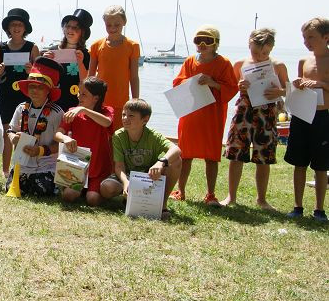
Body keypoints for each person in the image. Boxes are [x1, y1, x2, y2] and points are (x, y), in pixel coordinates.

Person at [170, 26, 238, 205]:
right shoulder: (190, 61)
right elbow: (178, 82)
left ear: (216, 44)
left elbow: (231, 87)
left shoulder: (224, 63)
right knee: (185, 155)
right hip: (190, 113)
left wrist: (212, 83)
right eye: (198, 40)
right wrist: (190, 82)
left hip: (212, 115)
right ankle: (181, 191)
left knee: (211, 157)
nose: (202, 44)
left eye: (207, 40)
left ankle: (210, 194)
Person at [222, 28, 289, 209]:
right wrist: (239, 85)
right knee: (236, 154)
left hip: (266, 114)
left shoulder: (278, 65)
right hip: (243, 112)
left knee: (263, 157)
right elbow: (231, 86)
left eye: (264, 53)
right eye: (255, 52)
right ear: (249, 44)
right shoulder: (240, 64)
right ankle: (231, 197)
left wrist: (280, 92)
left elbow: (289, 90)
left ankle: (261, 199)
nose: (259, 56)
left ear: (272, 49)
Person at [99, 99, 182, 220]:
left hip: (149, 177)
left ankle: (162, 205)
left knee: (176, 161)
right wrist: (125, 182)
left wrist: (160, 163)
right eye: (123, 114)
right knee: (106, 188)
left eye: (131, 116)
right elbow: (119, 166)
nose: (125, 118)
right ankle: (129, 198)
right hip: (128, 176)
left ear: (145, 119)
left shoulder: (153, 136)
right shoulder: (118, 136)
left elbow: (176, 149)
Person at [285, 17, 329, 221]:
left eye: (311, 37)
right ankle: (297, 206)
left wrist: (320, 84)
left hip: (323, 116)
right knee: (299, 162)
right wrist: (298, 83)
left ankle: (319, 209)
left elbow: (320, 84)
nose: (306, 41)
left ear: (325, 37)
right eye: (304, 37)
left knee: (321, 165)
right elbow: (301, 84)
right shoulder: (304, 61)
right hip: (302, 114)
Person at [5, 57, 64, 197]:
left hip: (46, 165)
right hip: (22, 163)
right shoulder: (21, 108)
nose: (34, 90)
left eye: (40, 87)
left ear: (48, 91)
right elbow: (11, 130)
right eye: (31, 86)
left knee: (42, 190)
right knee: (11, 188)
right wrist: (14, 138)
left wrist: (41, 150)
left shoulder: (57, 112)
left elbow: (61, 145)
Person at [54, 76, 115, 206]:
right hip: (78, 166)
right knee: (69, 196)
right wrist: (66, 138)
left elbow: (107, 122)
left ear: (96, 98)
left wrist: (84, 110)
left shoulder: (107, 111)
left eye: (84, 94)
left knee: (92, 199)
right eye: (79, 93)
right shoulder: (72, 112)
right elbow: (58, 134)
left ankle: (91, 190)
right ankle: (81, 188)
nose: (79, 96)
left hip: (99, 169)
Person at [0, 8, 39, 174]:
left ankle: (23, 169)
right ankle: (6, 171)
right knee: (8, 131)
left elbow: (40, 75)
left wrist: (31, 72)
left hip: (26, 93)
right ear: (8, 28)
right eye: (13, 24)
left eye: (20, 24)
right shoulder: (1, 47)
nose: (16, 27)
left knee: (25, 131)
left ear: (25, 28)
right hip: (6, 93)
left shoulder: (32, 47)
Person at [88, 5, 140, 115]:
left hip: (122, 102)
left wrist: (136, 101)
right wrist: (87, 100)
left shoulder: (132, 46)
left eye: (117, 24)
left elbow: (134, 77)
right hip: (99, 102)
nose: (112, 28)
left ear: (124, 22)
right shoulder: (96, 46)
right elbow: (90, 77)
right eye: (108, 25)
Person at [43, 8, 93, 112]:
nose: (70, 30)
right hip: (54, 101)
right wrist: (45, 61)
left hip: (76, 101)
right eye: (68, 26)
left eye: (75, 28)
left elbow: (86, 81)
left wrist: (80, 62)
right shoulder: (53, 51)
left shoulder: (86, 54)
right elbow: (45, 78)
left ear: (82, 32)